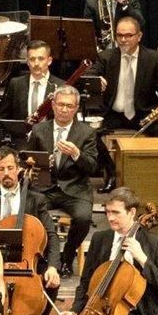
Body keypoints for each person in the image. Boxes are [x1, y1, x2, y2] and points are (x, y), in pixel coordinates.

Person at [39, 187, 158, 315]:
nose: (110, 217)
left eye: (116, 212)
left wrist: (142, 258)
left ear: (132, 212)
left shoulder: (153, 243)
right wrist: (75, 310)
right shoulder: (100, 239)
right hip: (95, 311)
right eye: (108, 212)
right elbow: (85, 282)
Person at [0, 146, 61, 315]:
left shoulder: (36, 199)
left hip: (28, 262)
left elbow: (51, 235)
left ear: (19, 169)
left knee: (50, 283)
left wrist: (53, 267)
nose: (7, 173)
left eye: (10, 168)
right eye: (2, 168)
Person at [26, 87, 98, 274]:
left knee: (83, 217)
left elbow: (92, 167)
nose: (64, 109)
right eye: (61, 105)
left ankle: (67, 255)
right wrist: (39, 163)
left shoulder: (87, 133)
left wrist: (76, 154)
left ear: (76, 108)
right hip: (44, 187)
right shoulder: (39, 129)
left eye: (69, 106)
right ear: (53, 105)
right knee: (29, 212)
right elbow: (27, 160)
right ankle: (44, 256)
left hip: (75, 188)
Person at [97, 15, 158, 135]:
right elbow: (89, 74)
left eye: (128, 35)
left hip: (142, 113)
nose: (123, 39)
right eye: (119, 35)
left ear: (139, 36)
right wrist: (96, 79)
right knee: (90, 131)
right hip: (112, 114)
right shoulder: (105, 57)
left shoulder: (153, 58)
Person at [5, 41, 67, 122]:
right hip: (22, 134)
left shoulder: (61, 86)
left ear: (49, 61)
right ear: (27, 62)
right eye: (32, 59)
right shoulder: (15, 84)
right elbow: (5, 119)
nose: (36, 63)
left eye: (41, 59)